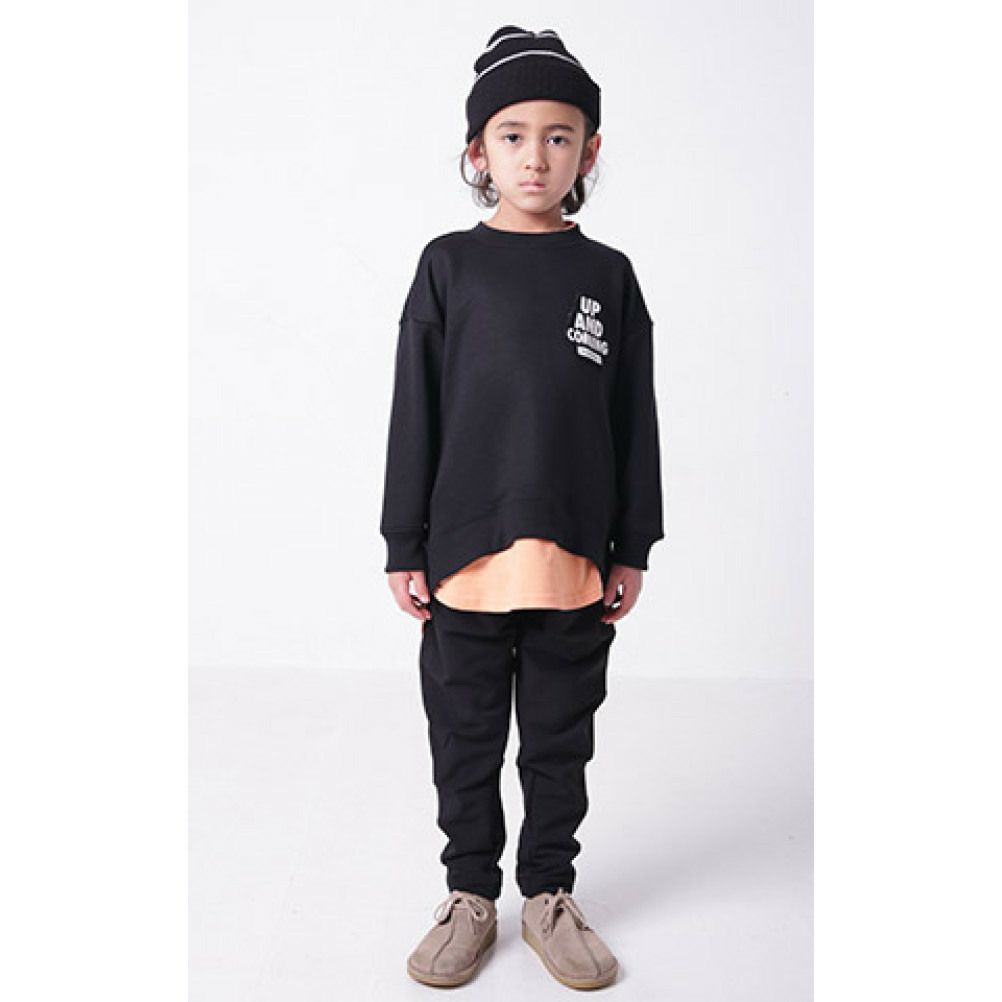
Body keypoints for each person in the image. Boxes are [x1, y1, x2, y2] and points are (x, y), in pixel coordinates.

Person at [379, 25, 664, 991]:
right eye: (511, 135)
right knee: (465, 738)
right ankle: (470, 895)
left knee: (557, 740)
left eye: (557, 135)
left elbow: (634, 419)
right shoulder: (448, 266)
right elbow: (414, 409)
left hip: (575, 558)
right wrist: (403, 541)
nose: (534, 155)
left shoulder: (608, 277)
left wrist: (634, 545)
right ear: (477, 151)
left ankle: (548, 894)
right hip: (463, 559)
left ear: (589, 150)